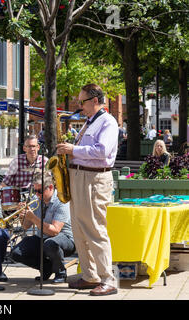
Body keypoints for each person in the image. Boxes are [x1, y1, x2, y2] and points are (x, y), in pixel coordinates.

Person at [56, 83, 118, 296]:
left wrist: (73, 149)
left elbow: (102, 151)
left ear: (94, 101)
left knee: (95, 230)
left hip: (94, 179)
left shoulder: (108, 121)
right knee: (79, 229)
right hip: (80, 177)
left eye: (82, 101)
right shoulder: (89, 122)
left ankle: (108, 279)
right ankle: (90, 275)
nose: (79, 105)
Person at [10, 170, 75, 284]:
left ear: (50, 187)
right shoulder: (36, 200)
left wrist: (33, 218)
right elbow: (25, 226)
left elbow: (54, 231)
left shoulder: (61, 201)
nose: (37, 194)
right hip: (43, 238)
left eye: (39, 191)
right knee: (16, 253)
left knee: (50, 244)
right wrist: (23, 216)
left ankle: (60, 272)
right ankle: (46, 268)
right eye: (35, 191)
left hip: (64, 238)